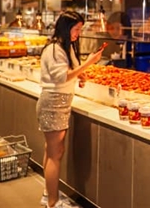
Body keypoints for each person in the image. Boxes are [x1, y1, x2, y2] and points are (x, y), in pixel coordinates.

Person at [36, 11, 103, 208]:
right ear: (66, 28)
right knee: (55, 154)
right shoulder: (55, 49)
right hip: (53, 103)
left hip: (60, 102)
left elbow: (69, 72)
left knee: (52, 151)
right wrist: (89, 63)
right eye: (76, 29)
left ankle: (48, 194)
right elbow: (62, 77)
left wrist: (80, 76)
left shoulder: (66, 47)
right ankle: (53, 202)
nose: (78, 34)